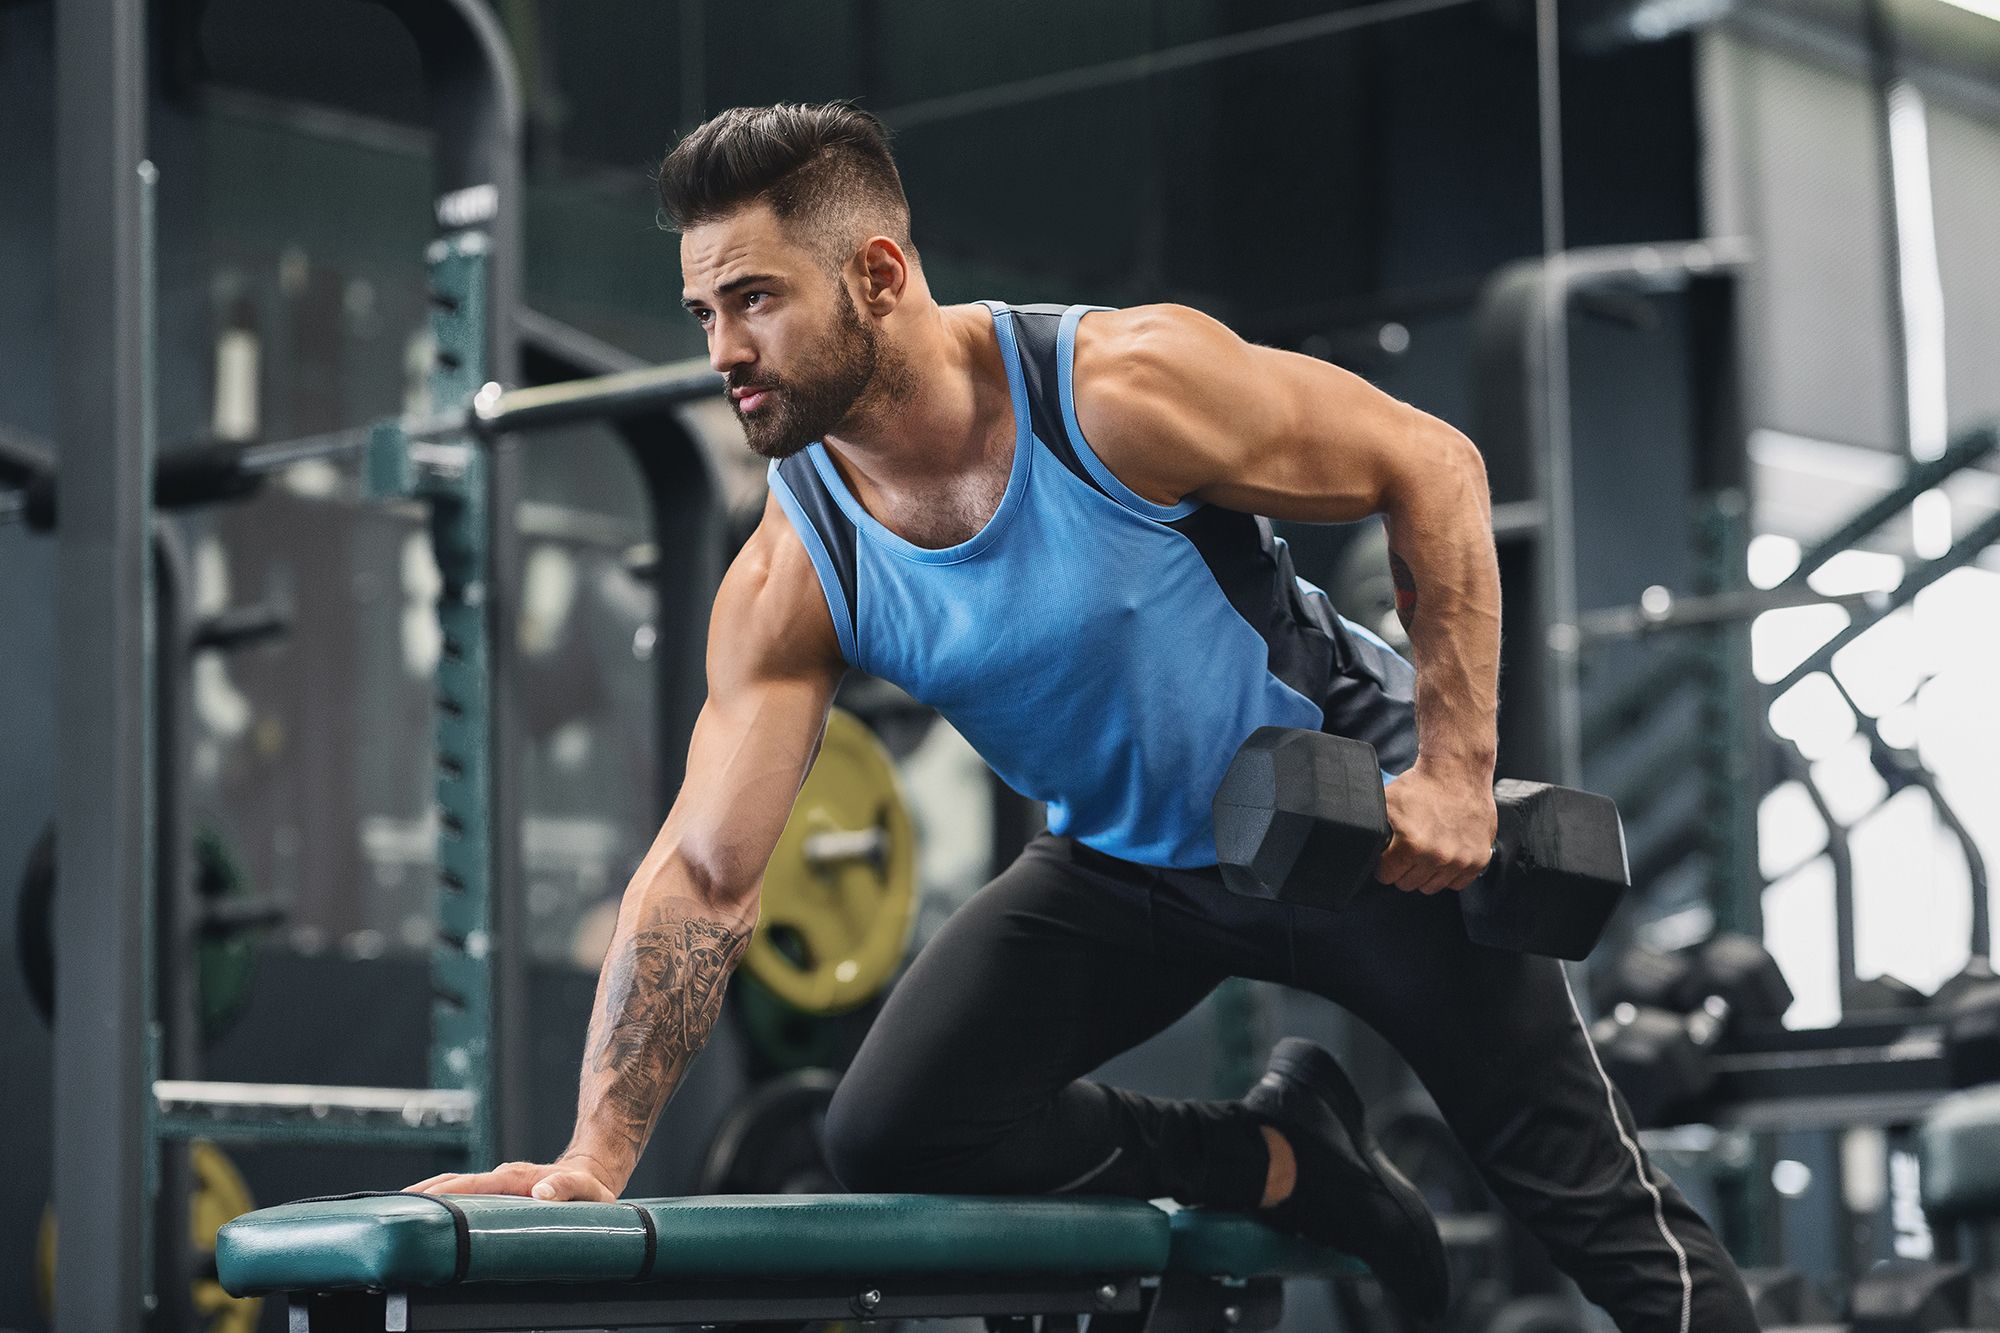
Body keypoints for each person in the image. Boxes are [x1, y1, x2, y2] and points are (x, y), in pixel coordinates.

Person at [410, 102, 1757, 1331]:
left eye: (752, 300)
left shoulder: (1118, 389)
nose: (723, 349)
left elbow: (1433, 463)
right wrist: (595, 1155)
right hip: (1127, 865)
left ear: (879, 274)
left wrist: (1460, 777)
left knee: (1597, 1215)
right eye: (704, 312)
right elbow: (705, 874)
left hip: (1351, 811)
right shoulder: (794, 568)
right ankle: (1289, 1158)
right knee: (890, 1130)